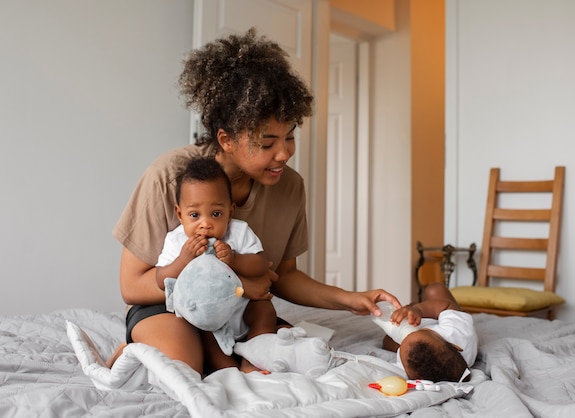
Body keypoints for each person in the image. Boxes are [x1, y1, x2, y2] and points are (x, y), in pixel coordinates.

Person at [111, 27, 401, 376]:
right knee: (185, 367)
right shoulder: (171, 176)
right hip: (170, 306)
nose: (284, 154)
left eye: (290, 137)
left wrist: (350, 299)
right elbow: (132, 286)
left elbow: (284, 277)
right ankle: (137, 347)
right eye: (267, 144)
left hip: (239, 310)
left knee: (282, 365)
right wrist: (223, 285)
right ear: (227, 139)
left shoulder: (290, 187)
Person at [156, 156, 276, 373]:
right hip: (207, 317)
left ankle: (254, 359)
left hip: (243, 310)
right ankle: (228, 370)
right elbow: (160, 279)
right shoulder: (176, 241)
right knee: (201, 328)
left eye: (216, 214)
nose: (206, 223)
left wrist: (234, 259)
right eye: (194, 215)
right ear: (179, 214)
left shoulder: (238, 232)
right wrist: (183, 260)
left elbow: (260, 264)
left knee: (265, 311)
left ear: (230, 211)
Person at [373, 283, 477, 383]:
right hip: (437, 315)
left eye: (404, 341)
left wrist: (395, 334)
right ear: (455, 346)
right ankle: (416, 306)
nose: (412, 330)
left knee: (388, 340)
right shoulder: (458, 332)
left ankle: (412, 308)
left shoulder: (411, 363)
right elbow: (447, 305)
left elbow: (388, 342)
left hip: (419, 340)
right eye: (426, 331)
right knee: (435, 290)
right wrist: (419, 309)